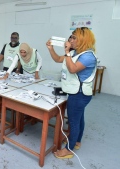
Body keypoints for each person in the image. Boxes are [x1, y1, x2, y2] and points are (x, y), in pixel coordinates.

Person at [46, 27, 97, 159]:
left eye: (74, 38)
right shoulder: (75, 53)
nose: (70, 39)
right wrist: (51, 49)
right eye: (71, 36)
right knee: (79, 119)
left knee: (73, 121)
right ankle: (77, 141)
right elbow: (58, 59)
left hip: (79, 94)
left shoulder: (88, 56)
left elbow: (73, 69)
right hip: (74, 91)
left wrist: (67, 52)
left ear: (83, 40)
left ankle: (69, 149)